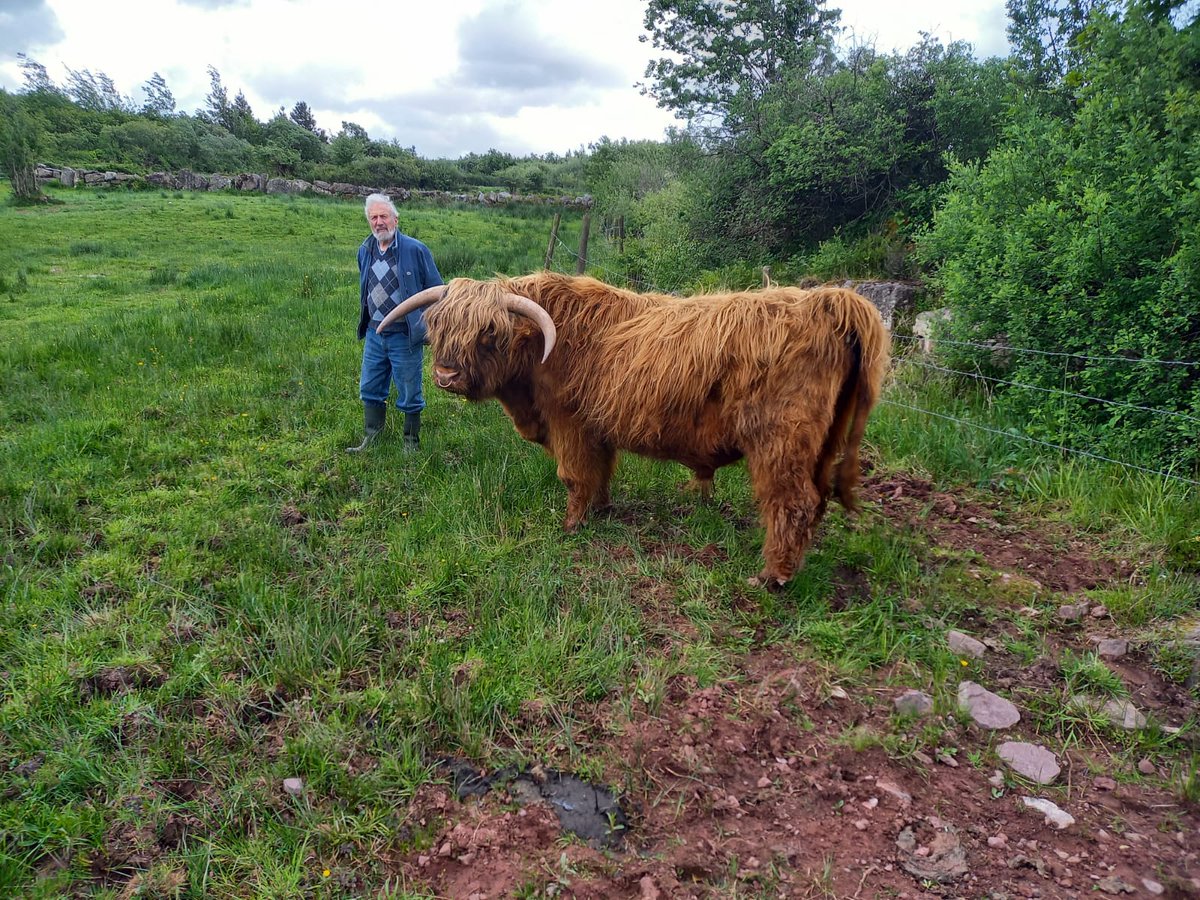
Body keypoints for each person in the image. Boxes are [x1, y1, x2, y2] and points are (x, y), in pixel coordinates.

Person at [347, 193, 443, 453]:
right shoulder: (365, 250)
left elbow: (437, 291)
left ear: (396, 219)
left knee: (410, 391)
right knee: (370, 386)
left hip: (405, 334)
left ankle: (411, 443)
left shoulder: (415, 250)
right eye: (374, 217)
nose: (379, 222)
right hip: (375, 333)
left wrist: (429, 327)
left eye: (383, 216)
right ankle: (372, 438)